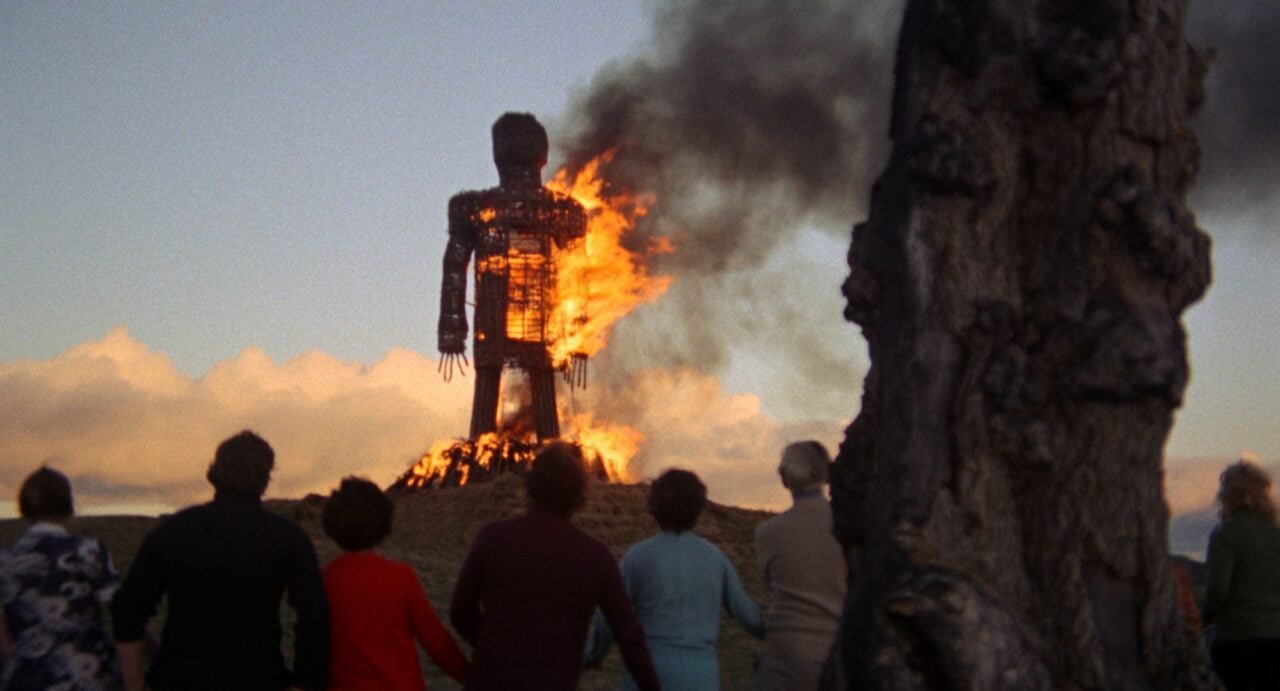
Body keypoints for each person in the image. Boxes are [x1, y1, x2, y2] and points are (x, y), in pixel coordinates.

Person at [112, 430, 329, 691]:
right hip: (259, 680)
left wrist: (135, 683)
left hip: (178, 680)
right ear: (266, 477)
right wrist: (304, 684)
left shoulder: (174, 531)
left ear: (215, 471)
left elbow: (128, 610)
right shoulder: (289, 539)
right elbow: (314, 619)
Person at [450, 442, 659, 691]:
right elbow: (628, 633)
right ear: (579, 494)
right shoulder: (595, 556)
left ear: (531, 486)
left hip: (490, 680)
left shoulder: (492, 538)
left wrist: (495, 647)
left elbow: (460, 612)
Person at [437, 111, 588, 441]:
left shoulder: (477, 207)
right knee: (516, 380)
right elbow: (578, 274)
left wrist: (452, 329)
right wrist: (578, 336)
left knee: (502, 380)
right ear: (543, 156)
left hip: (517, 317)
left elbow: (453, 268)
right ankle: (525, 451)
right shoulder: (560, 210)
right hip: (513, 318)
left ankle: (509, 449)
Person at [587, 468, 764, 690]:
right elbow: (749, 615)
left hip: (650, 673)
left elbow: (611, 616)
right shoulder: (715, 558)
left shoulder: (638, 557)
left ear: (655, 507)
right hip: (701, 675)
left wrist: (594, 654)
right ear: (698, 508)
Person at [321, 476, 467, 689]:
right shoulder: (401, 578)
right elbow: (435, 640)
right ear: (383, 524)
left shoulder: (325, 580)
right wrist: (468, 674)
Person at [0, 466, 124, 689]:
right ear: (68, 503)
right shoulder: (88, 551)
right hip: (88, 677)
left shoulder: (5, 559)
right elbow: (123, 612)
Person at [752, 441, 847, 691]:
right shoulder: (849, 527)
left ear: (784, 479)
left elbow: (770, 586)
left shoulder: (767, 533)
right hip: (835, 652)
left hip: (782, 656)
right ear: (826, 474)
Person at [1202, 457, 1280, 690]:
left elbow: (1218, 588)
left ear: (1228, 496)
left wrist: (1204, 619)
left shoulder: (1226, 534)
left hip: (1236, 641)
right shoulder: (1276, 535)